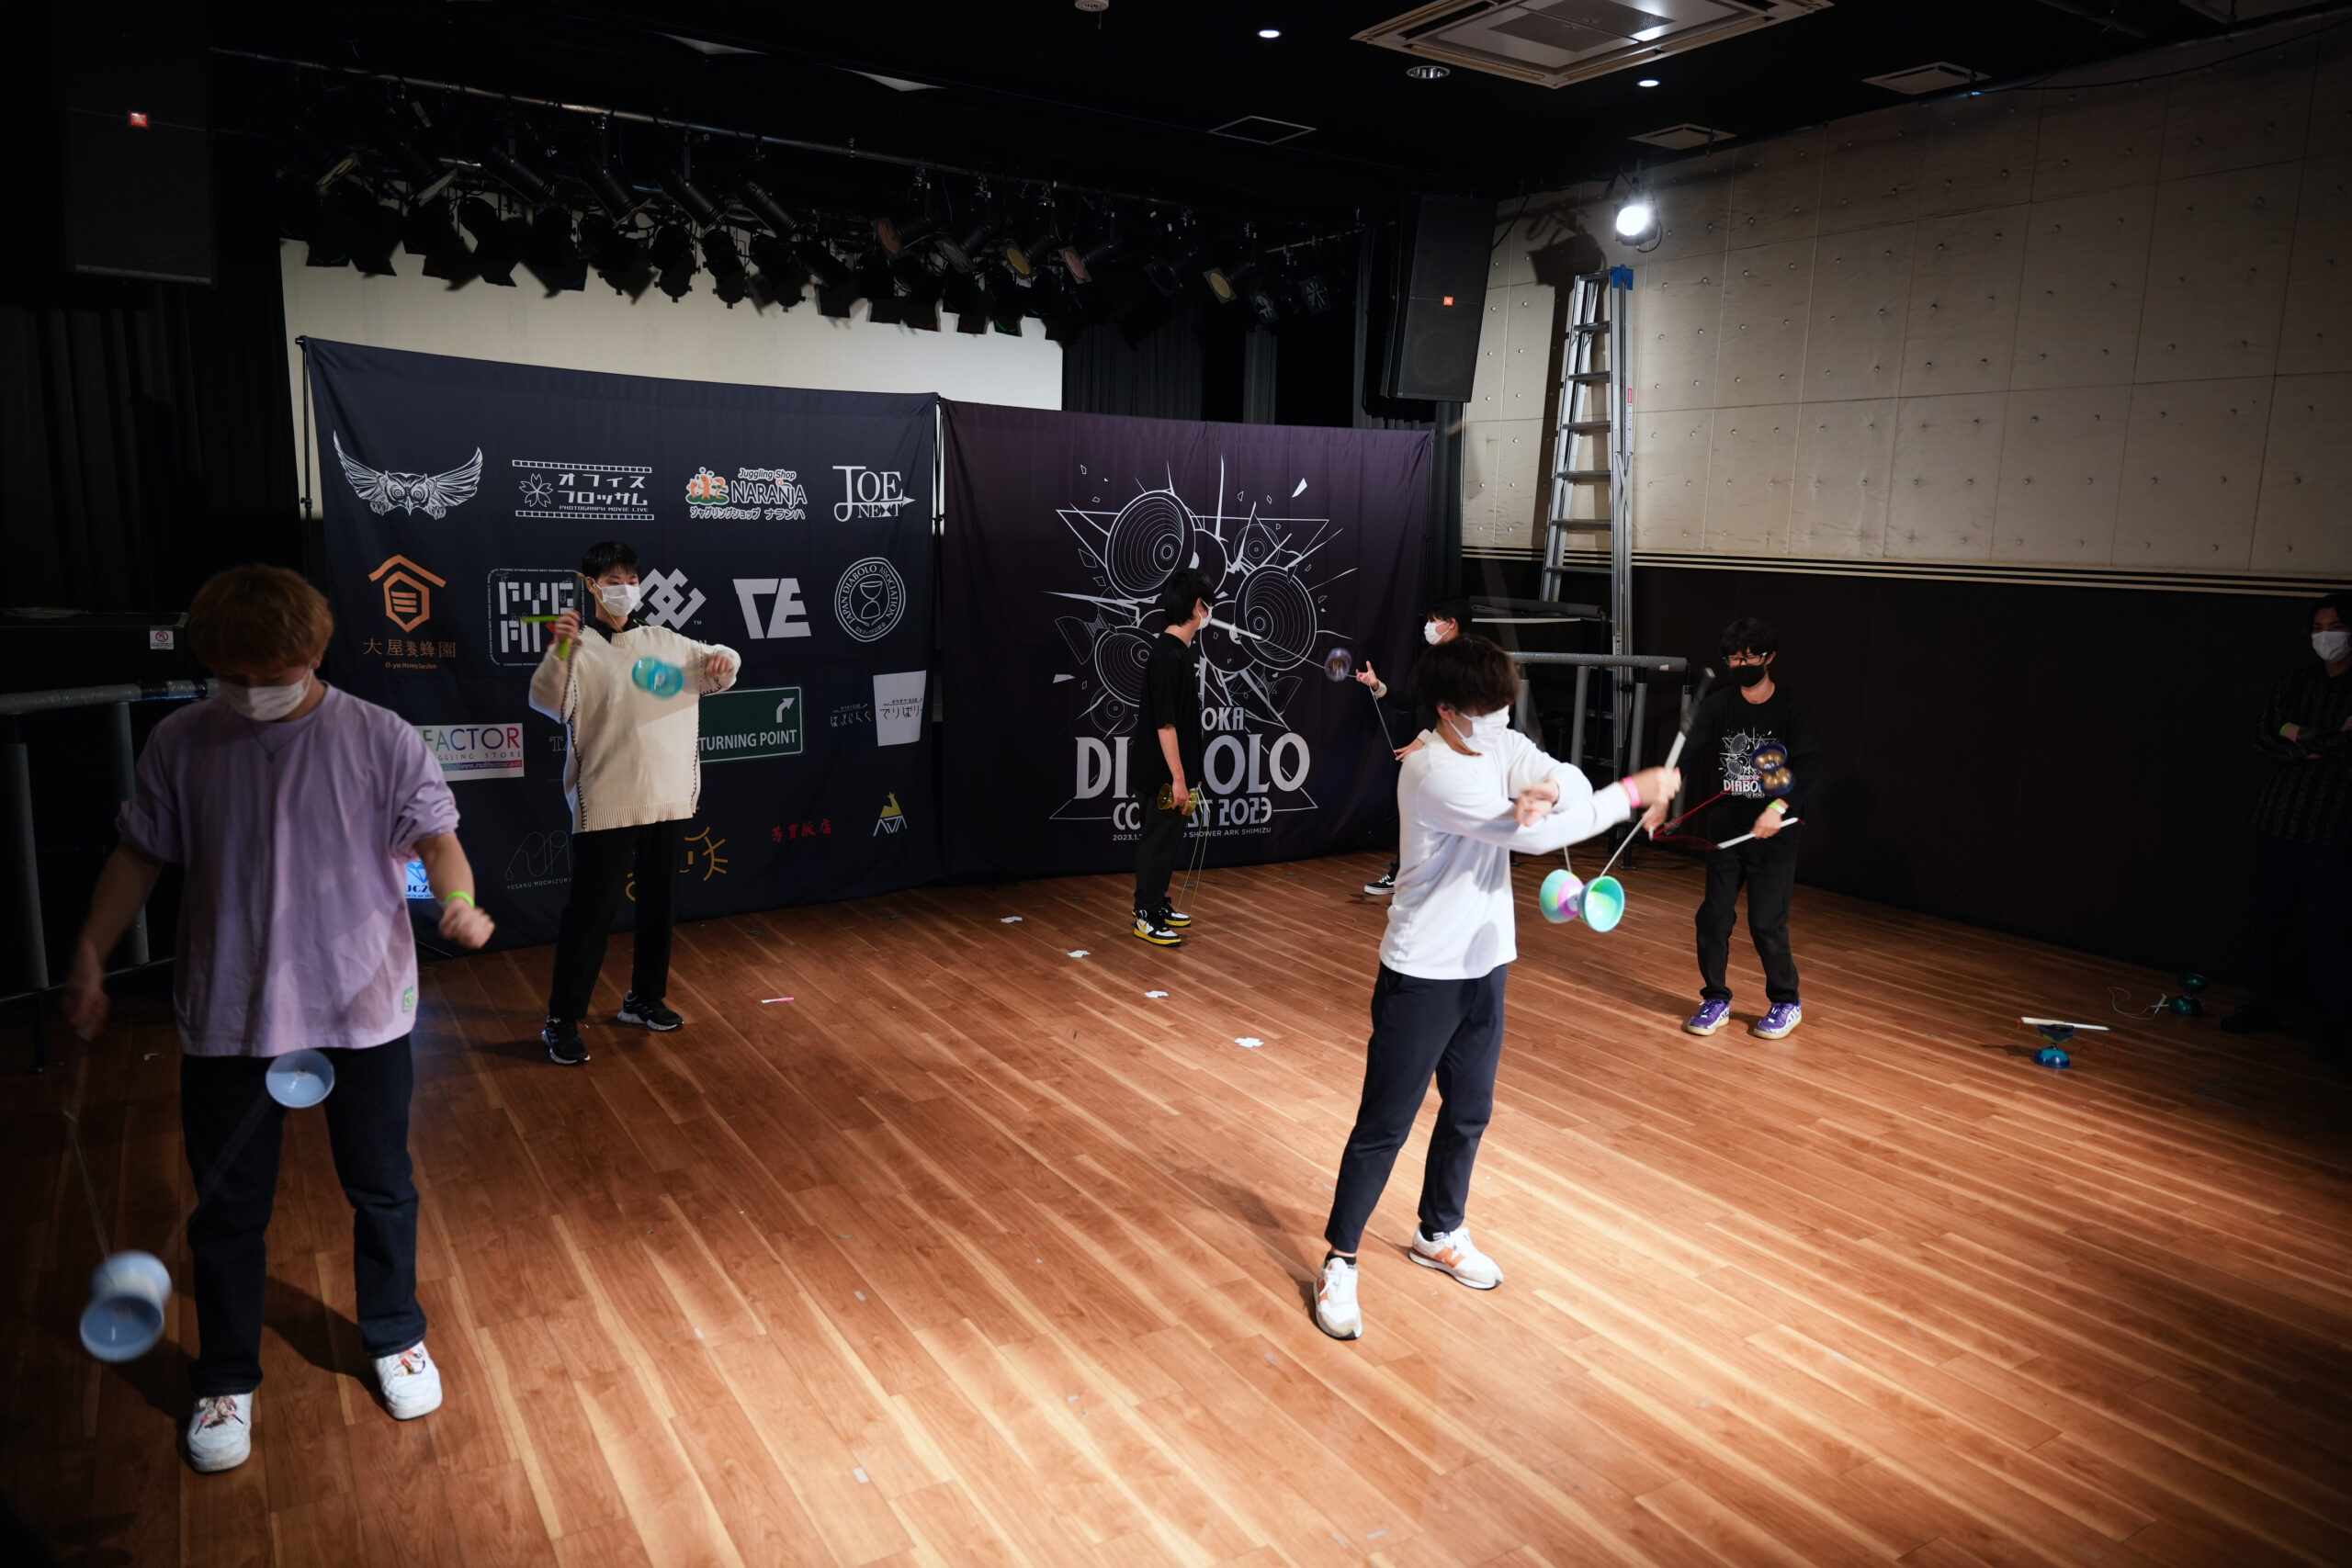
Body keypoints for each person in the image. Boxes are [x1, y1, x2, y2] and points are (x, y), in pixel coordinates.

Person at [62, 565, 495, 1475]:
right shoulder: (181, 741)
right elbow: (137, 857)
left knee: (381, 1183)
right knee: (228, 1208)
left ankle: (394, 1332)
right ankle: (226, 1374)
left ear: (315, 652)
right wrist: (92, 950)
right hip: (231, 1010)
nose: (255, 692)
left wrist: (456, 902)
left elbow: (438, 838)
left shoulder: (378, 737)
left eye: (274, 674)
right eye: (235, 677)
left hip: (362, 1005)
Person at [1314, 636, 1679, 1340]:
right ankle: (1341, 1258)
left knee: (1470, 1109)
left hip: (1485, 965)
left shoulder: (1498, 741)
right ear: (1448, 711)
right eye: (1485, 712)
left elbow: (1562, 775)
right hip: (1423, 972)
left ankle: (1439, 1229)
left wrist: (1551, 789)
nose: (1498, 722)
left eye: (1503, 710)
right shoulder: (1431, 772)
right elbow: (1532, 840)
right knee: (1385, 1124)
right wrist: (1633, 792)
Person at [534, 541, 739, 1065]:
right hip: (606, 800)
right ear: (591, 586)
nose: (624, 588)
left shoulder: (665, 641)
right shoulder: (579, 648)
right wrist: (560, 650)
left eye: (631, 579)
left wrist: (726, 657)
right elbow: (548, 701)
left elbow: (719, 665)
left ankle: (644, 999)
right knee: (590, 914)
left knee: (658, 905)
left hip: (667, 798)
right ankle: (562, 1019)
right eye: (613, 580)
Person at [1676, 616, 1820, 1043]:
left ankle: (1786, 1001)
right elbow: (1690, 752)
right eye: (1733, 659)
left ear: (1769, 657)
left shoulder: (1794, 708)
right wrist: (1665, 791)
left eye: (1749, 657)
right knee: (1714, 916)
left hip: (1777, 829)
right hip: (1727, 827)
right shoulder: (1719, 704)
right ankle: (1715, 997)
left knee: (1766, 922)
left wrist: (1777, 807)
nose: (1741, 665)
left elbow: (1809, 769)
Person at [2224, 591, 2351, 1065]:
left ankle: (2334, 1026)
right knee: (2269, 917)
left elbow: (2345, 748)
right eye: (2318, 629)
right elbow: (2264, 731)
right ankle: (2263, 1005)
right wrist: (2319, 737)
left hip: (2334, 823)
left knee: (2329, 926)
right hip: (2280, 813)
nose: (2325, 637)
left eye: (2335, 627)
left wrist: (2295, 733)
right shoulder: (2298, 679)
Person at [1355, 597, 1469, 896]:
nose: (1428, 626)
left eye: (1434, 620)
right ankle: (1406, 874)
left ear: (1451, 624)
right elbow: (1409, 702)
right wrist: (1378, 686)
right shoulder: (1428, 661)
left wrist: (1423, 739)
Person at [1130, 569, 1216, 947]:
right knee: (1157, 841)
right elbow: (1165, 725)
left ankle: (1157, 904)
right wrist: (1179, 778)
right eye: (1208, 604)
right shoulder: (1167, 656)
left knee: (1169, 840)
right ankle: (1146, 914)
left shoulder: (1178, 652)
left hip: (1175, 773)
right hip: (1161, 773)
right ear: (1198, 607)